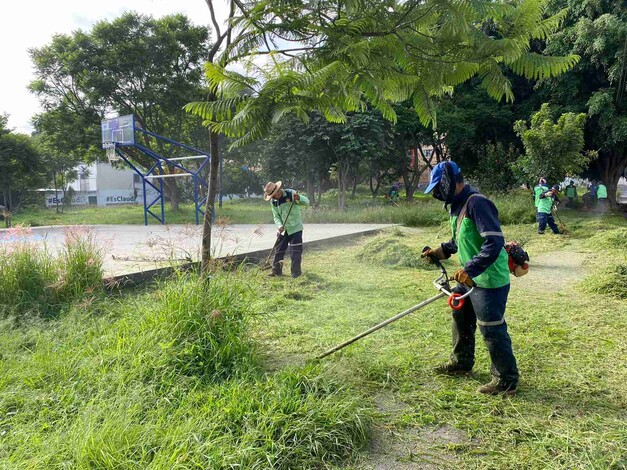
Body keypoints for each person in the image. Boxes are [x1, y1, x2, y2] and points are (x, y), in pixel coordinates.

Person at [421, 161, 519, 396]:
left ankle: (506, 380)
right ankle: (461, 362)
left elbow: (493, 241)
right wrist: (438, 252)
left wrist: (471, 269)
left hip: (489, 280)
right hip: (470, 277)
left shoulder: (477, 203)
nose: (436, 193)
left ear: (450, 182)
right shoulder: (458, 206)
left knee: (492, 328)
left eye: (438, 187)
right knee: (461, 316)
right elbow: (458, 241)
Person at [264, 181, 310, 278]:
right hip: (283, 230)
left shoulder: (290, 193)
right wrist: (279, 225)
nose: (275, 196)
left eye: (275, 194)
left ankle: (296, 273)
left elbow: (307, 202)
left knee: (295, 252)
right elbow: (276, 216)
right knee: (279, 251)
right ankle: (276, 271)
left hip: (295, 228)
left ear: (278, 190)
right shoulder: (273, 201)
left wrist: (299, 198)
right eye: (272, 195)